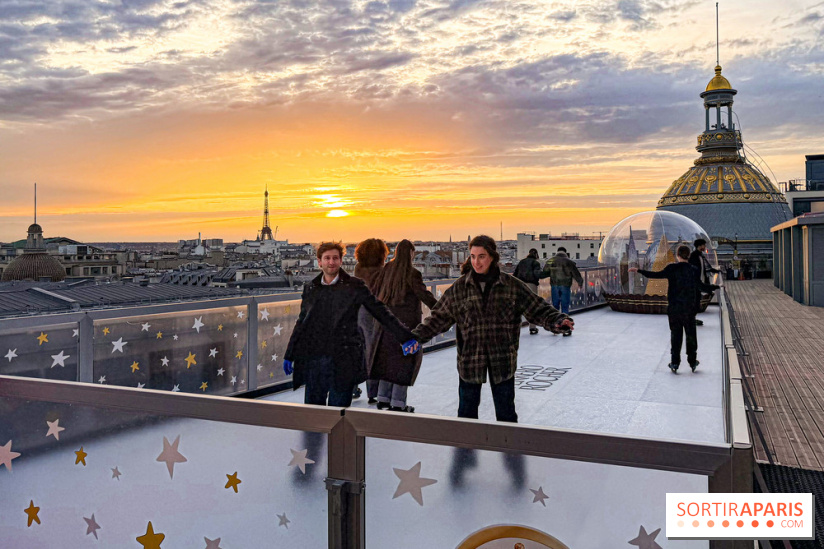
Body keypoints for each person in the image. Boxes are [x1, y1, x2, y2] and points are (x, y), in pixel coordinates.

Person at [412, 235, 574, 423]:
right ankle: (466, 449)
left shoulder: (510, 285)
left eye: (481, 256)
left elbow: (537, 308)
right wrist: (416, 338)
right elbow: (438, 318)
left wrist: (558, 320)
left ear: (492, 257)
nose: (476, 262)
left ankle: (508, 445)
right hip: (471, 359)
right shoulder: (460, 288)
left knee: (506, 412)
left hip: (502, 358)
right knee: (466, 413)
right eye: (472, 256)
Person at [283, 242, 420, 407]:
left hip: (343, 361)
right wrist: (290, 354)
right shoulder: (311, 288)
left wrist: (405, 337)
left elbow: (380, 312)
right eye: (327, 258)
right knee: (314, 415)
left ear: (341, 261)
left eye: (335, 258)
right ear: (319, 262)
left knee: (339, 416)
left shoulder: (354, 286)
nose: (331, 262)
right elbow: (302, 322)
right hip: (316, 360)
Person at [368, 239, 438, 413]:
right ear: (411, 254)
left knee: (386, 363)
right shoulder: (412, 273)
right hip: (407, 326)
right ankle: (398, 403)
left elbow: (375, 292)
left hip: (386, 324)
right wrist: (442, 311)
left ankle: (383, 399)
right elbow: (424, 295)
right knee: (403, 364)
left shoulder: (386, 269)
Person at [630, 245, 720, 374]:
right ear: (688, 256)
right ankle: (692, 361)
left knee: (676, 336)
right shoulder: (693, 270)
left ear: (677, 255)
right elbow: (700, 286)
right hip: (689, 309)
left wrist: (639, 270)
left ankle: (675, 363)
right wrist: (714, 287)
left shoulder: (671, 268)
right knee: (691, 336)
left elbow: (656, 275)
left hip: (674, 309)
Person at [353, 238, 390, 403]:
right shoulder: (383, 270)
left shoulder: (358, 269)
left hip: (360, 312)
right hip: (377, 311)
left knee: (362, 350)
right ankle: (373, 391)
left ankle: (353, 385)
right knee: (376, 351)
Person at [513, 248, 550, 335]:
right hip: (531, 285)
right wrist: (548, 273)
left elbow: (515, 275)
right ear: (536, 255)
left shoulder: (521, 262)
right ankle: (532, 328)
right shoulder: (535, 263)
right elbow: (538, 274)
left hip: (521, 286)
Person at [543, 246, 583, 323]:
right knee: (565, 305)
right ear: (565, 252)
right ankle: (565, 322)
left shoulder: (550, 261)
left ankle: (555, 322)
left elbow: (545, 270)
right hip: (565, 285)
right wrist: (580, 283)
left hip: (554, 285)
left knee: (555, 305)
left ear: (557, 252)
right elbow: (576, 274)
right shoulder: (569, 262)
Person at [689, 239, 721, 326]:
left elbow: (706, 267)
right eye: (704, 245)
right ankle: (690, 320)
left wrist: (716, 271)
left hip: (699, 281)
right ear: (700, 246)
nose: (705, 247)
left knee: (697, 302)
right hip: (695, 283)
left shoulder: (700, 255)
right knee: (695, 302)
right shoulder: (694, 256)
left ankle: (692, 319)